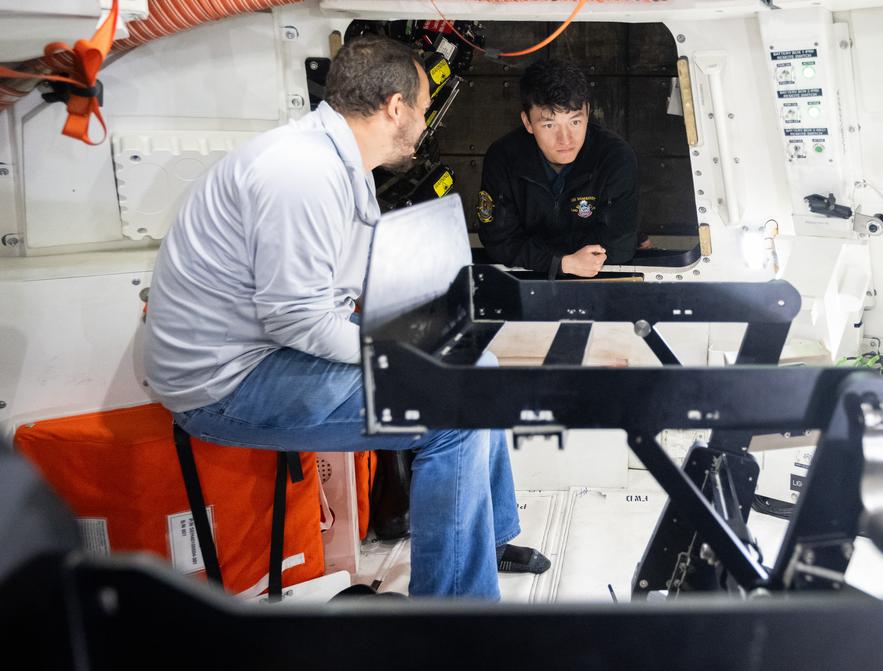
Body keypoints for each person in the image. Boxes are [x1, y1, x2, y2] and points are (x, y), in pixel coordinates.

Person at [144, 35, 549, 599]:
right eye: (425, 106)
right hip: (225, 385)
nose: (426, 119)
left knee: (476, 360)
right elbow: (296, 320)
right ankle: (460, 618)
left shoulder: (340, 161)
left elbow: (336, 283)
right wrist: (403, 350)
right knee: (455, 408)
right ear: (394, 106)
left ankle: (487, 540)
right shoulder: (302, 172)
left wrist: (425, 324)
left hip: (265, 353)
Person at [477, 58, 640, 278]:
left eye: (575, 122)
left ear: (587, 113)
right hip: (525, 279)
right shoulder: (503, 158)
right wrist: (561, 263)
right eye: (549, 124)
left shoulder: (615, 158)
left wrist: (536, 250)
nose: (566, 139)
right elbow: (498, 242)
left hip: (597, 279)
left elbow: (619, 246)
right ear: (527, 122)